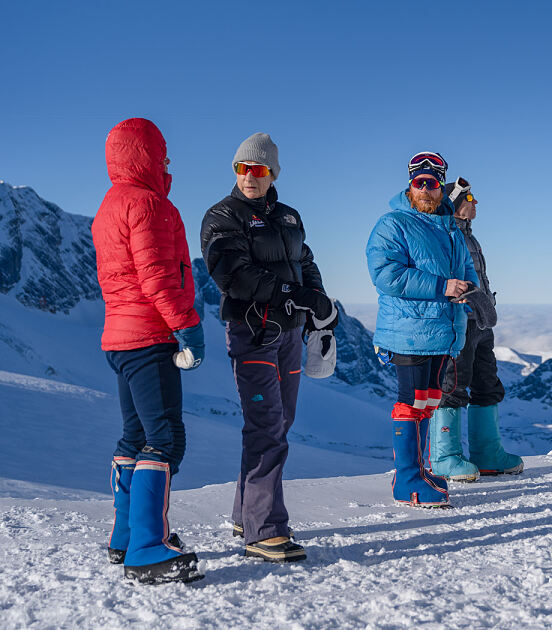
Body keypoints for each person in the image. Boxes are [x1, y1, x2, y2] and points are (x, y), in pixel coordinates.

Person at [200, 133, 336, 562]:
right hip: (252, 331)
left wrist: (317, 301)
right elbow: (233, 274)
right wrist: (290, 293)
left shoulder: (289, 217)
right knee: (266, 425)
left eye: (258, 169)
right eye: (243, 168)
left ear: (273, 174)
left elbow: (305, 261)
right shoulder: (222, 215)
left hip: (289, 334)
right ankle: (265, 530)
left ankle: (246, 514)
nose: (250, 176)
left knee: (281, 421)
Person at [92, 117, 205, 584]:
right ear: (149, 157)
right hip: (150, 337)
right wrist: (188, 327)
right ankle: (146, 548)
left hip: (119, 338)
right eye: (163, 155)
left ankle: (126, 537)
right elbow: (159, 277)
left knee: (134, 436)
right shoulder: (149, 204)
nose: (168, 163)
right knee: (165, 438)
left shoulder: (109, 205)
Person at [366, 151, 478, 507]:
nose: (426, 189)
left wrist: (470, 290)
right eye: (420, 182)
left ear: (442, 188)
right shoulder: (393, 224)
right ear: (410, 185)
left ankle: (419, 471)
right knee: (411, 402)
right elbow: (386, 275)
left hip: (442, 330)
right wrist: (443, 287)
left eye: (432, 183)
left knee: (428, 401)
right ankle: (407, 481)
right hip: (409, 330)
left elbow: (466, 268)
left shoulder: (449, 227)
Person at [430, 178, 523, 481]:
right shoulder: (446, 236)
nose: (476, 202)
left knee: (486, 382)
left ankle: (487, 454)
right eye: (469, 198)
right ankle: (445, 457)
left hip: (481, 320)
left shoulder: (469, 236)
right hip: (458, 321)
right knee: (452, 385)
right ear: (455, 203)